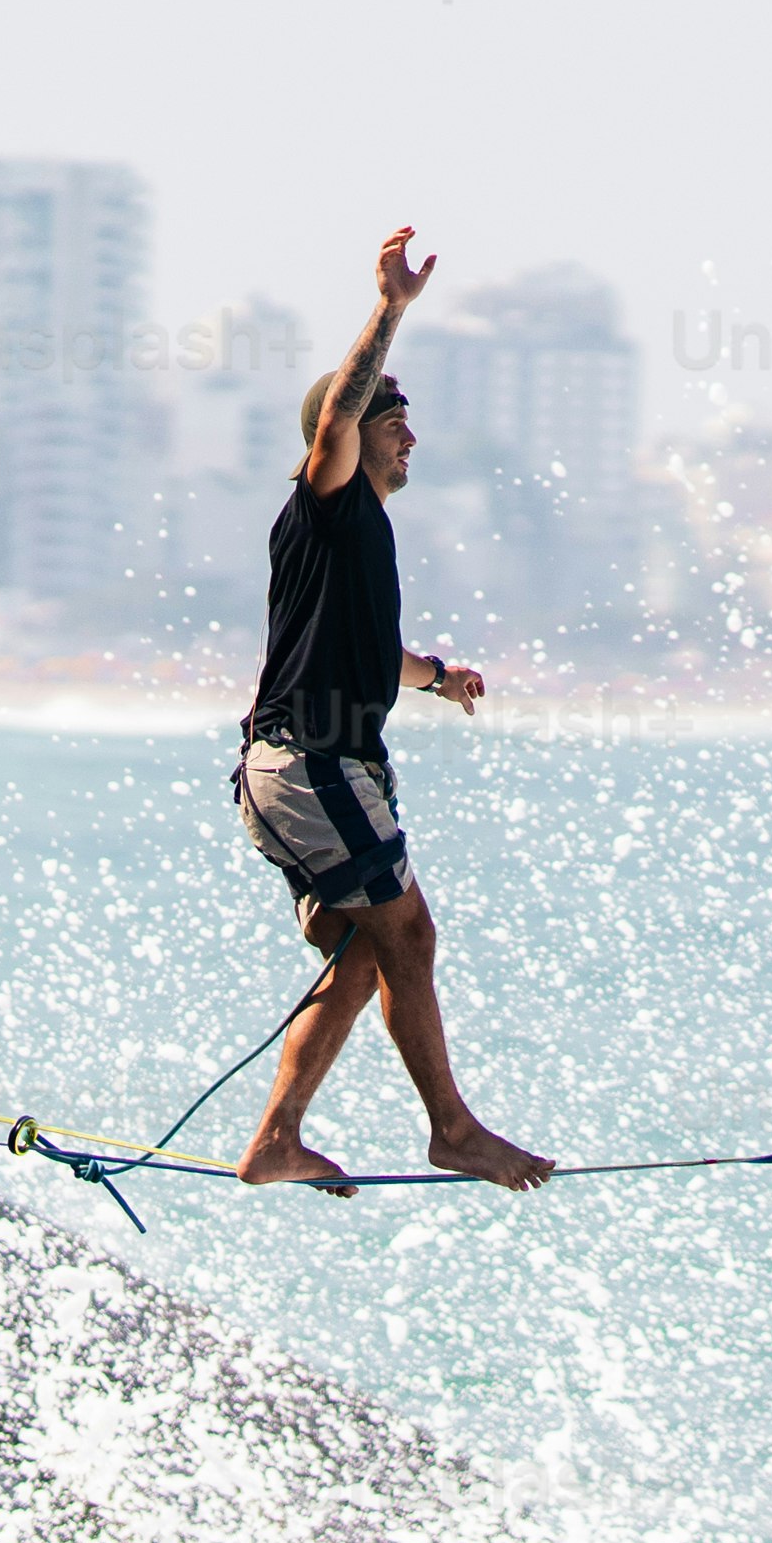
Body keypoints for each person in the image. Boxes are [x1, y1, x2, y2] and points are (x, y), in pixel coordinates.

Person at [228, 228, 556, 1191]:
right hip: (313, 763)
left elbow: (374, 655)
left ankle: (276, 1139)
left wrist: (437, 675)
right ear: (342, 435)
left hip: (291, 769)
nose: (408, 436)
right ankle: (452, 1129)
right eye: (391, 421)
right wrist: (392, 309)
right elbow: (337, 414)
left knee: (370, 955)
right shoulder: (324, 500)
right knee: (410, 933)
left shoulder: (358, 538)